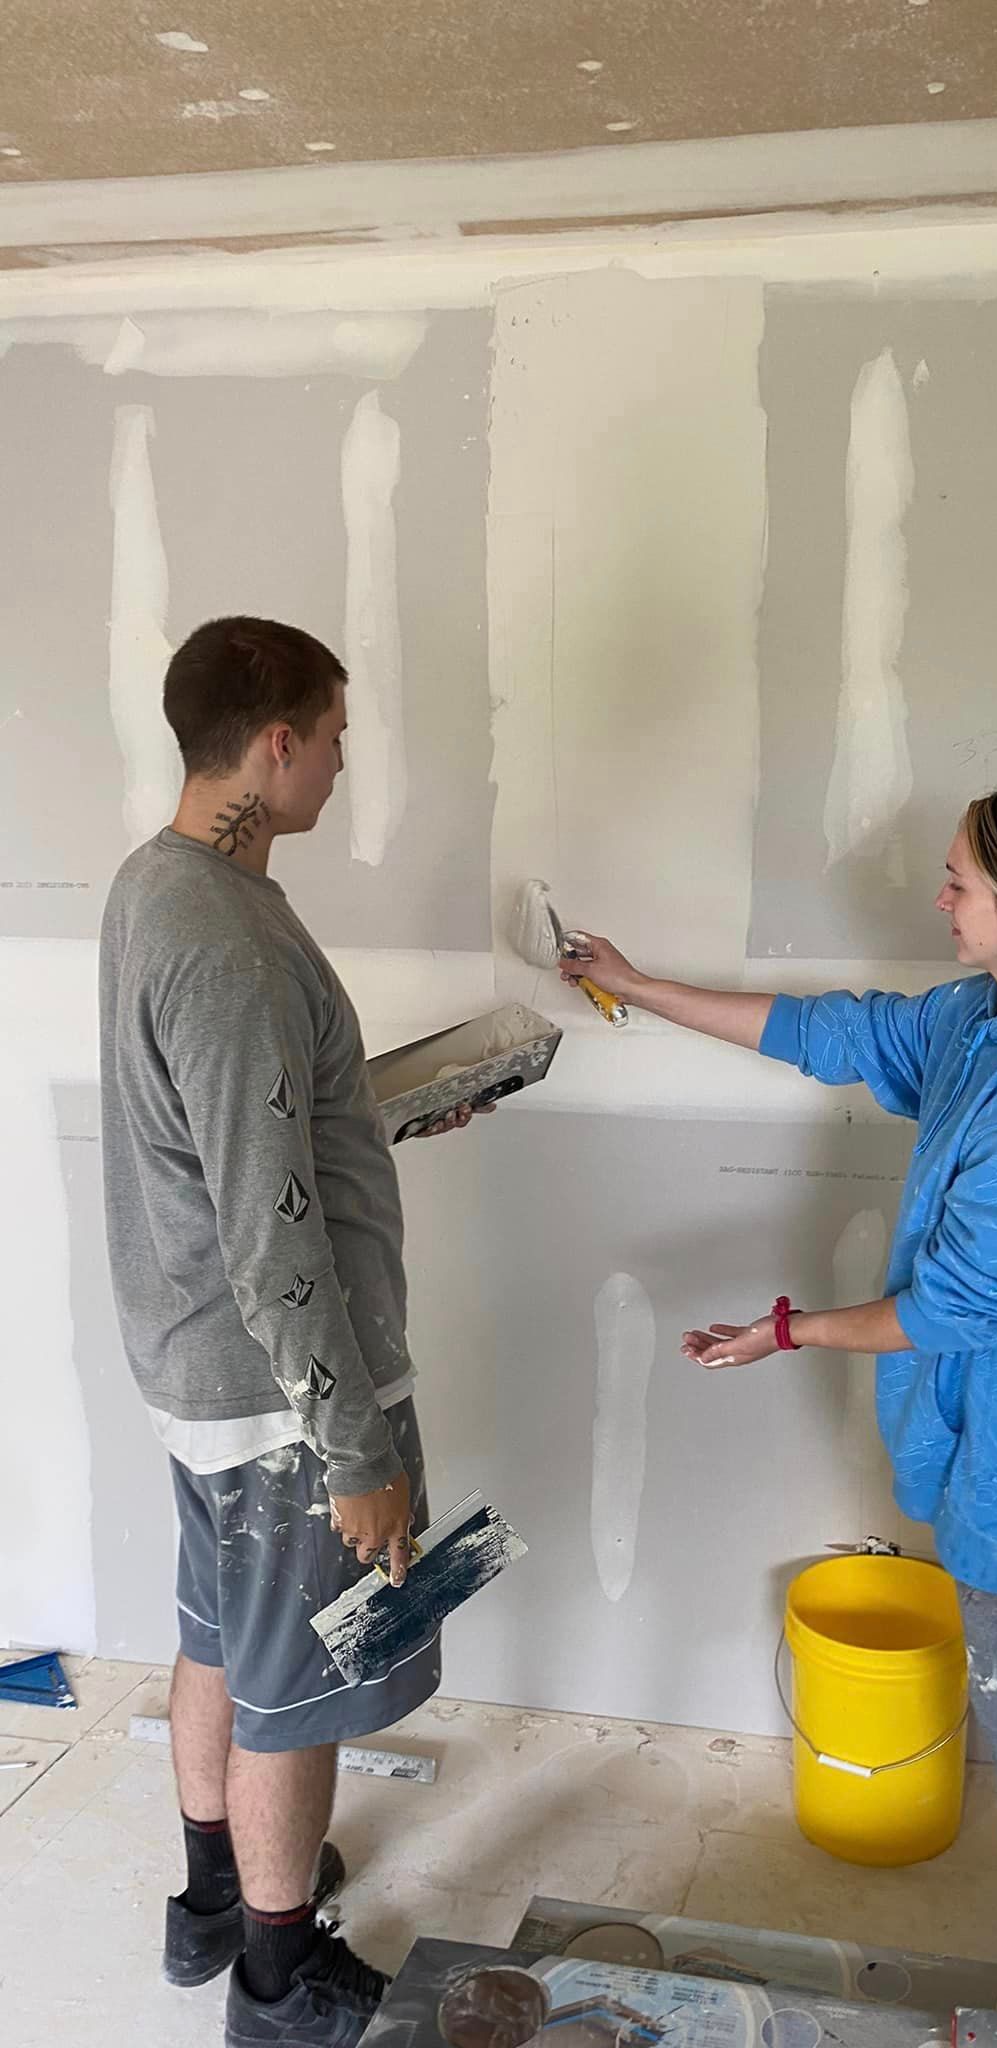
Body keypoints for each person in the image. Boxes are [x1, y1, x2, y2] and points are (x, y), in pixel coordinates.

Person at [564, 776, 997, 1993]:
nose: (939, 892)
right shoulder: (995, 1019)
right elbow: (833, 1032)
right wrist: (638, 984)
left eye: (960, 877)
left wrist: (785, 1330)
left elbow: (957, 1305)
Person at [99, 616, 487, 2048]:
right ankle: (278, 1977)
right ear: (275, 745)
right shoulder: (229, 942)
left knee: (218, 1640)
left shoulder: (168, 885)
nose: (341, 758)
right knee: (302, 1695)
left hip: (204, 1371)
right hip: (282, 1398)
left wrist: (381, 1110)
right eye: (333, 734)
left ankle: (211, 1903)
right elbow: (270, 1228)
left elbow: (239, 1138)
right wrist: (356, 1442)